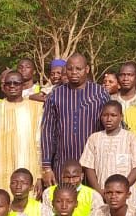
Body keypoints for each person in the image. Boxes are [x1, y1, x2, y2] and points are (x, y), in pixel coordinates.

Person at [40, 53, 109, 188]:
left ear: (87, 69)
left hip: (94, 163)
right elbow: (47, 131)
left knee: (93, 199)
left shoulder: (100, 94)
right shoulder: (55, 95)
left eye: (78, 69)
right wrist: (47, 168)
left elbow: (110, 127)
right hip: (63, 164)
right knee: (63, 198)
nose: (74, 72)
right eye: (70, 69)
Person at [0, 71, 45, 192]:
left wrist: (39, 176)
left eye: (16, 83)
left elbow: (39, 145)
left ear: (22, 85)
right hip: (0, 173)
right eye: (8, 83)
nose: (12, 86)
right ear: (3, 86)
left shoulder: (36, 108)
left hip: (29, 170)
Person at [80, 101, 136, 190]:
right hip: (101, 191)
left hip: (125, 192)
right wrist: (98, 190)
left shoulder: (131, 138)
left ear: (121, 117)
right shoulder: (94, 138)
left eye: (113, 115)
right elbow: (88, 167)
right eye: (105, 115)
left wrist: (122, 188)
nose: (108, 119)